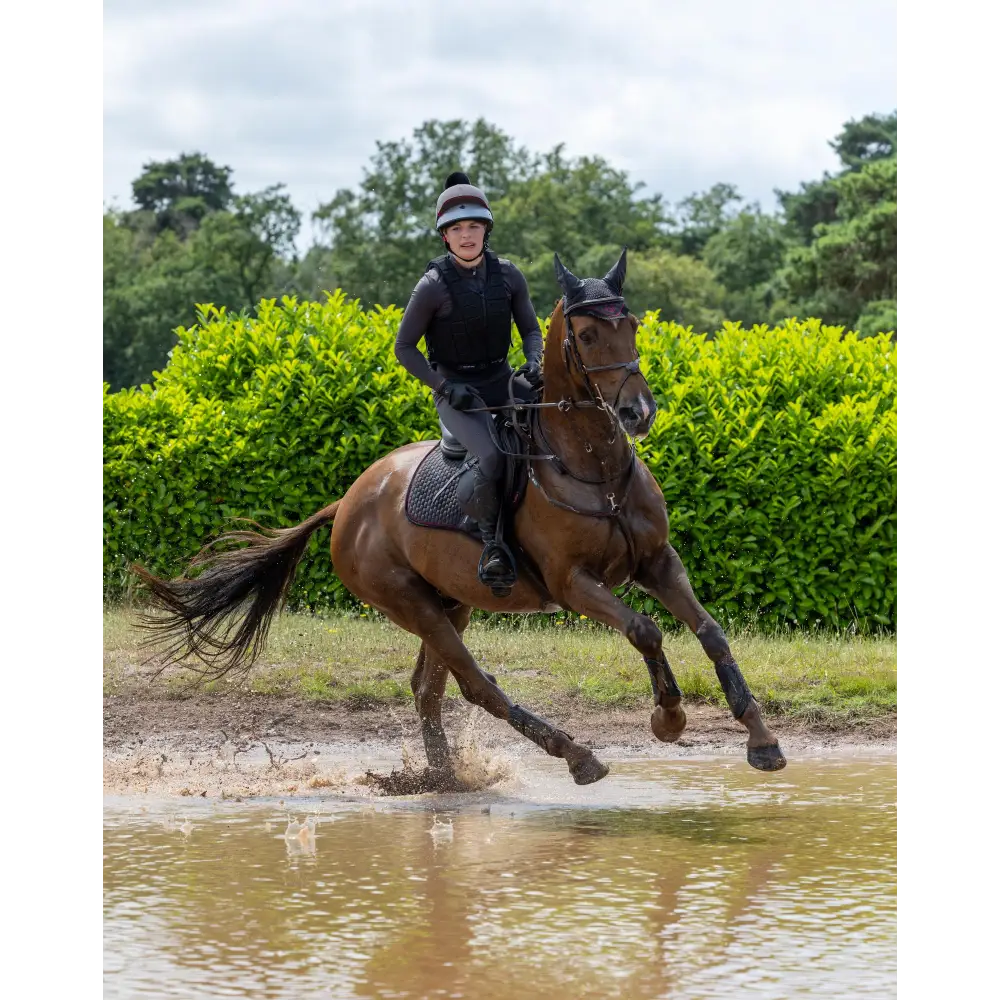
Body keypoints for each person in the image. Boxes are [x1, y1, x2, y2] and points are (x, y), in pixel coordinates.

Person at [394, 171, 544, 591]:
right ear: (444, 236)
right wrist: (443, 387)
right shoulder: (432, 286)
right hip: (457, 394)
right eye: (456, 229)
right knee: (493, 457)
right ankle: (493, 548)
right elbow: (404, 348)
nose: (466, 235)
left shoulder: (510, 276)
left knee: (554, 423)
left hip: (501, 378)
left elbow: (531, 330)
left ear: (486, 230)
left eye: (473, 226)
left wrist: (533, 361)